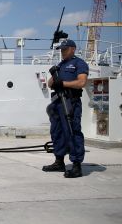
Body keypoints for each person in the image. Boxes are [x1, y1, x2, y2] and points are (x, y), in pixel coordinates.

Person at [43, 39, 88, 178]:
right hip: (57, 103)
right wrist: (54, 77)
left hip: (70, 101)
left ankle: (76, 165)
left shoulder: (79, 63)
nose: (62, 52)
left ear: (72, 49)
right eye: (61, 50)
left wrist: (63, 83)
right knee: (57, 132)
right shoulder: (60, 65)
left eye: (65, 49)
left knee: (72, 131)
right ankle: (59, 161)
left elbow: (82, 82)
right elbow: (50, 84)